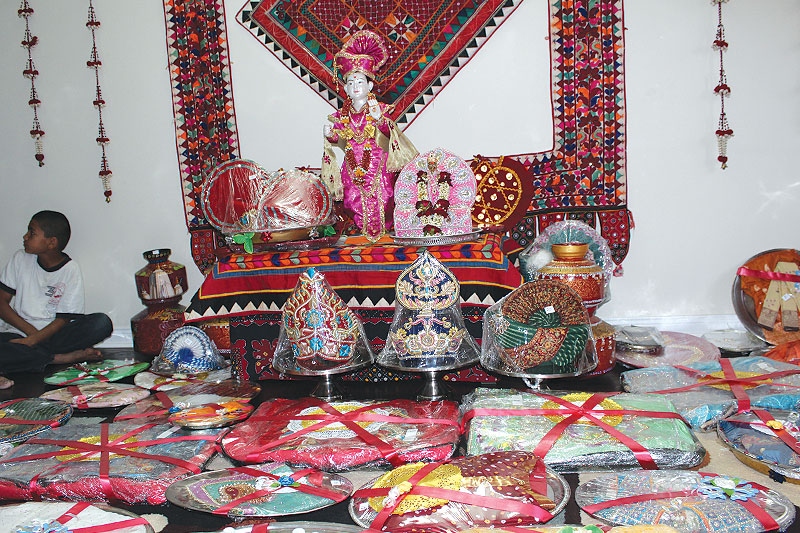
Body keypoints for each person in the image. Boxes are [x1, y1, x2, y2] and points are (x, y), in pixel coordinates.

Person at [322, 30, 417, 242]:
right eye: (350, 83)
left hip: (378, 168)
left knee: (386, 198)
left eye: (359, 82)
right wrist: (330, 136)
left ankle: (386, 236)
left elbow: (390, 135)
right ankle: (359, 238)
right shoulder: (341, 115)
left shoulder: (380, 109)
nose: (355, 87)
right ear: (345, 88)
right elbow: (341, 140)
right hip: (351, 168)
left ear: (370, 85)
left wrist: (379, 119)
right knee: (351, 201)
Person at [0, 210, 112, 384]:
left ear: (51, 242)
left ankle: (35, 356)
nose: (25, 236)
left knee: (101, 323)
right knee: (6, 348)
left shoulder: (70, 269)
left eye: (32, 233)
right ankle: (59, 358)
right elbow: (1, 303)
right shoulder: (20, 259)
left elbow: (63, 320)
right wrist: (31, 336)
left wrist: (35, 340)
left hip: (54, 335)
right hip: (19, 333)